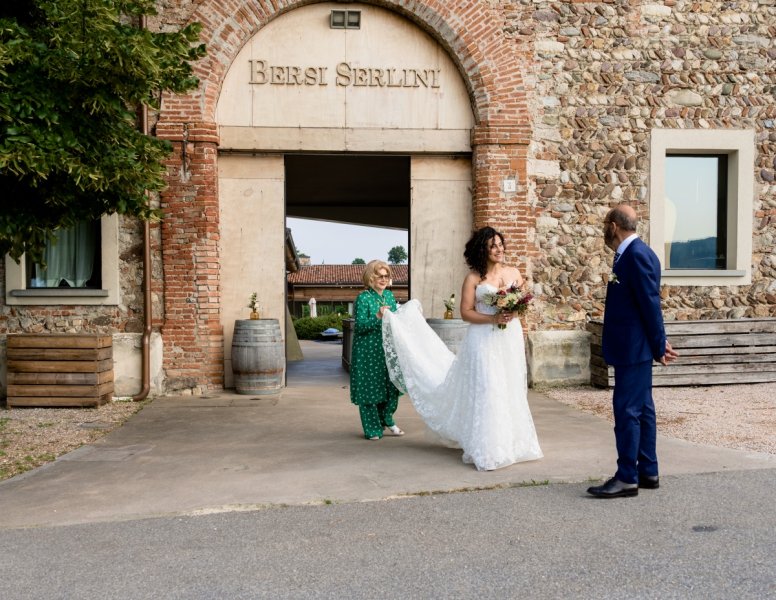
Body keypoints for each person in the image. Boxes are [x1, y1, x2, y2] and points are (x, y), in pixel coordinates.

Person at [382, 227, 542, 470]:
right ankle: (488, 449)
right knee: (488, 387)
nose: (499, 249)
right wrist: (492, 319)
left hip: (509, 337)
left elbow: (523, 304)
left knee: (508, 385)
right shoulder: (474, 278)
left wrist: (514, 310)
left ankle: (513, 444)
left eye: (500, 244)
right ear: (482, 250)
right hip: (483, 338)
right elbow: (465, 312)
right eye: (492, 246)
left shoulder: (514, 273)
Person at [587, 203, 678, 499]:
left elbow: (651, 304)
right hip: (635, 344)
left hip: (633, 348)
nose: (604, 228)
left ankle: (627, 476)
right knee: (644, 409)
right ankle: (648, 470)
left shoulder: (637, 255)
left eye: (605, 223)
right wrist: (656, 340)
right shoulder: (628, 254)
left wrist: (657, 342)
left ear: (614, 225)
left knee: (627, 410)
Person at [350, 260, 405, 440]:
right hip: (367, 350)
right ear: (370, 277)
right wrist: (378, 316)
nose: (383, 279)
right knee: (370, 389)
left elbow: (396, 321)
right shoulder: (363, 298)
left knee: (391, 386)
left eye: (386, 276)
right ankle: (373, 427)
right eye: (379, 276)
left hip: (386, 349)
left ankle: (387, 419)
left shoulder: (389, 297)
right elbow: (359, 327)